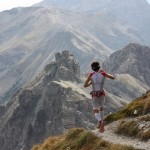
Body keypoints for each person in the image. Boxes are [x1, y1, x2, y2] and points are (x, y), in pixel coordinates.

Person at [84, 61, 115, 133]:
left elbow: (85, 85)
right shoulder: (103, 73)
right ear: (99, 67)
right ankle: (102, 121)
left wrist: (91, 83)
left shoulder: (91, 75)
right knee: (101, 109)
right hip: (102, 94)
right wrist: (104, 73)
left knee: (95, 109)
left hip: (95, 94)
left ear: (92, 68)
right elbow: (113, 78)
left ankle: (100, 121)